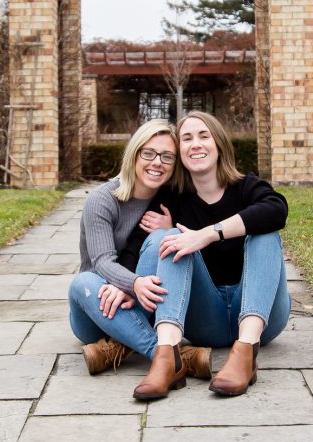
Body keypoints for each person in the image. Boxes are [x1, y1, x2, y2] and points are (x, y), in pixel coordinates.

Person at [131, 110, 290, 400]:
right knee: (171, 238)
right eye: (187, 138)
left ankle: (246, 351)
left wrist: (205, 234)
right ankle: (167, 357)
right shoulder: (172, 199)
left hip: (262, 318)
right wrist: (126, 283)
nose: (196, 144)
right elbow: (139, 250)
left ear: (219, 144)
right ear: (180, 151)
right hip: (206, 320)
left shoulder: (246, 187)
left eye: (204, 136)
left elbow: (277, 209)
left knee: (265, 231)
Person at [67, 119, 211, 379]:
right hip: (98, 305)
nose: (157, 162)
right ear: (134, 154)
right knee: (82, 282)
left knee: (163, 240)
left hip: (143, 306)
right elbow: (101, 262)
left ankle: (119, 349)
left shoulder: (171, 201)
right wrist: (133, 283)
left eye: (167, 157)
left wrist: (171, 226)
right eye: (149, 153)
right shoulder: (102, 199)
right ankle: (173, 357)